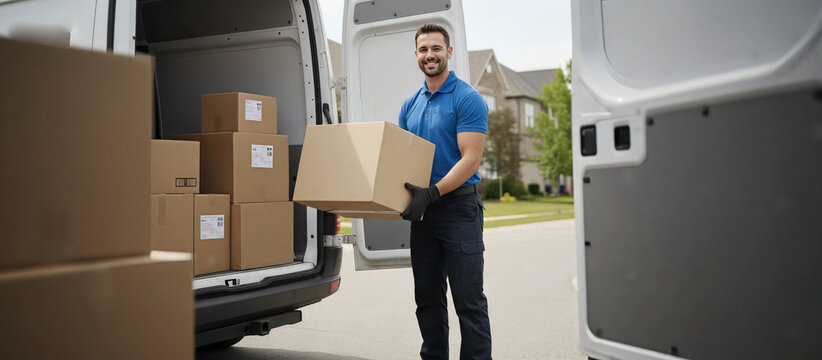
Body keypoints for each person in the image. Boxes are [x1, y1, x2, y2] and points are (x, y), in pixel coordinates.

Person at [399, 23, 492, 360]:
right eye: (423, 50)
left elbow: (471, 159)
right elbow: (403, 160)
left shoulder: (467, 99)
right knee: (427, 297)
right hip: (424, 214)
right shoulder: (410, 105)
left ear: (449, 52)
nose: (430, 55)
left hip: (459, 211)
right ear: (416, 55)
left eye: (436, 49)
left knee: (468, 300)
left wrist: (433, 192)